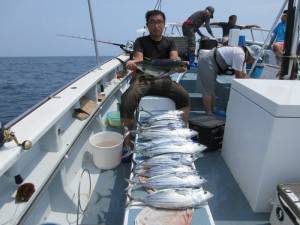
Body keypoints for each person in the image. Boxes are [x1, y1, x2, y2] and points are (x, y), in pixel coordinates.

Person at [121, 10, 190, 145]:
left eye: (159, 22)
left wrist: (179, 64)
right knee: (127, 99)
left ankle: (183, 129)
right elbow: (138, 59)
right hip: (143, 79)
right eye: (152, 22)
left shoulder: (170, 42)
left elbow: (174, 58)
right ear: (147, 25)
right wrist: (132, 64)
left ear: (164, 24)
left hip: (163, 79)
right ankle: (127, 137)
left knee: (184, 96)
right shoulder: (140, 41)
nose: (156, 25)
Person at [197, 45, 262, 114]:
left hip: (214, 63)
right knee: (207, 91)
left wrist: (255, 82)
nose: (253, 62)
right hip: (207, 61)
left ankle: (212, 111)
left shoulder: (243, 58)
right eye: (254, 59)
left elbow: (244, 75)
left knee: (211, 89)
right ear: (250, 55)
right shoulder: (240, 55)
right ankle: (209, 114)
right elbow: (239, 77)